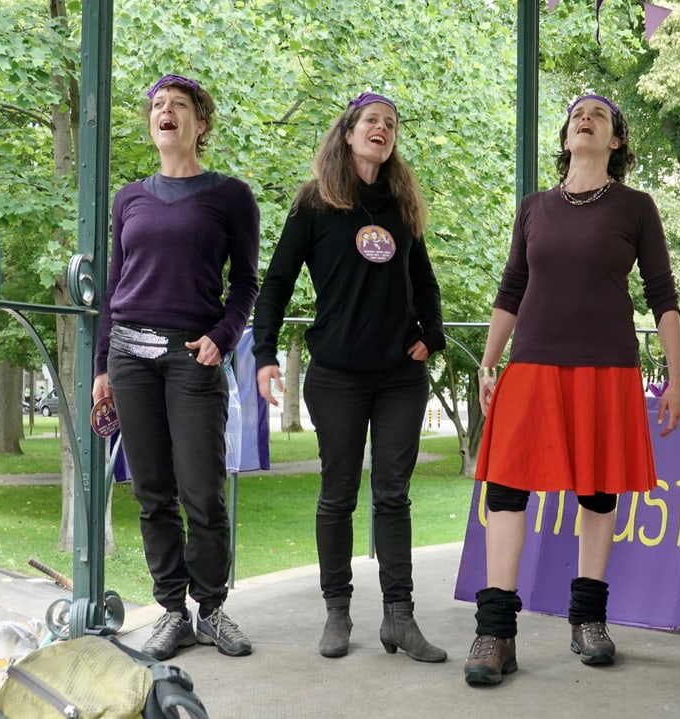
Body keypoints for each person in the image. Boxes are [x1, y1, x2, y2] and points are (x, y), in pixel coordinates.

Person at [463, 94, 680, 686]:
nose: (584, 119)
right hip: (531, 368)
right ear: (566, 138)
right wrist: (489, 365)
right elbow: (511, 288)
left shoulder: (636, 206)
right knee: (507, 491)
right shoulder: (534, 207)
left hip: (606, 369)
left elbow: (663, 295)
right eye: (577, 115)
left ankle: (588, 621)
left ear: (615, 141)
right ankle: (496, 634)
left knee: (597, 493)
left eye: (600, 116)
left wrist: (677, 376)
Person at [251, 91, 447, 663]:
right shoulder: (315, 203)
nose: (381, 129)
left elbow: (426, 284)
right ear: (348, 132)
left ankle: (399, 619)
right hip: (335, 376)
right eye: (371, 121)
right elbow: (277, 284)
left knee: (394, 496)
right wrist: (264, 354)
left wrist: (431, 337)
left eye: (390, 123)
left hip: (398, 378)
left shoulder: (403, 206)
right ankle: (338, 612)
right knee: (337, 496)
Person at [92, 73, 260, 660]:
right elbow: (114, 285)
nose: (165, 112)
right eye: (158, 106)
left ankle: (212, 608)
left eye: (179, 105)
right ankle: (172, 612)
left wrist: (223, 336)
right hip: (130, 357)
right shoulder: (128, 198)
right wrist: (101, 367)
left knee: (202, 491)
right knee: (152, 492)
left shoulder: (230, 196)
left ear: (200, 123)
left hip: (194, 356)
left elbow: (245, 284)